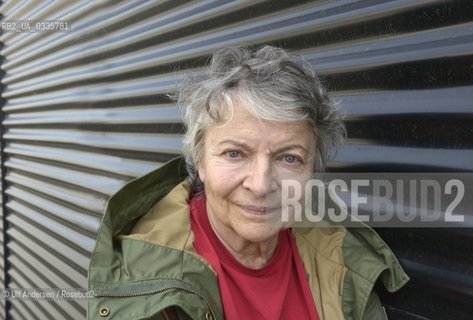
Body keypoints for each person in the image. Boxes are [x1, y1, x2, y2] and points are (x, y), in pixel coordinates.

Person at [88, 45, 409, 320]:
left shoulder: (343, 259)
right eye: (234, 153)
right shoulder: (140, 281)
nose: (260, 185)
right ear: (200, 162)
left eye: (289, 158)